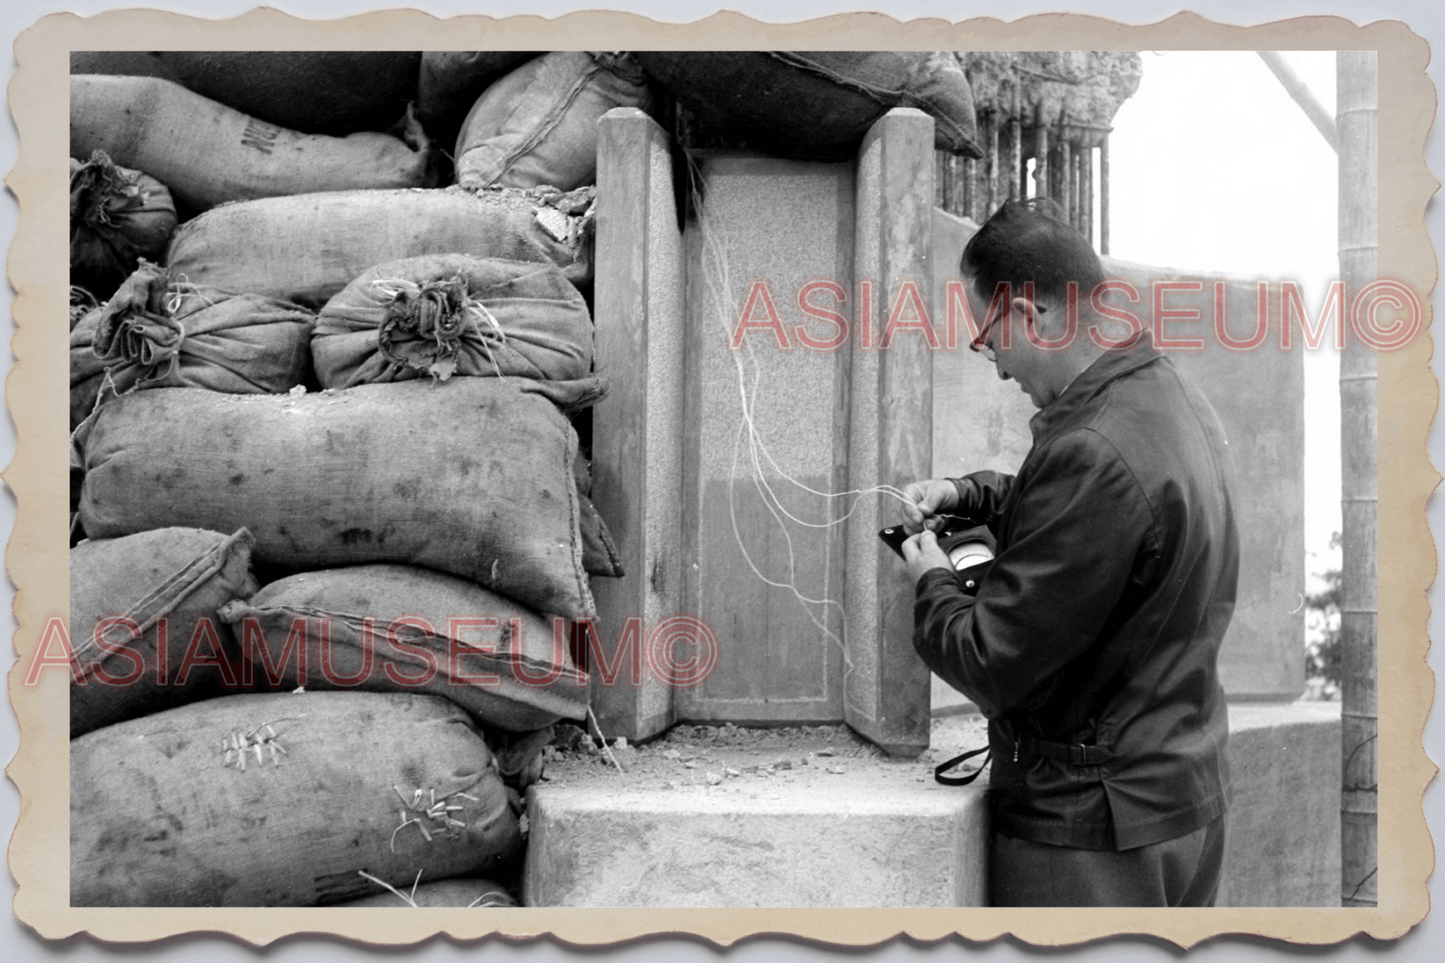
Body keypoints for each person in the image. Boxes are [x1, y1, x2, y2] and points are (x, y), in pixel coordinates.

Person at [900, 198, 1239, 907]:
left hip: (1090, 832)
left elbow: (991, 659)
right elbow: (1097, 523)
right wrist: (968, 494)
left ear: (1034, 312)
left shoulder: (1091, 450)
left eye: (988, 336)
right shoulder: (1165, 397)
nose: (993, 364)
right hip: (1178, 803)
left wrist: (931, 577)